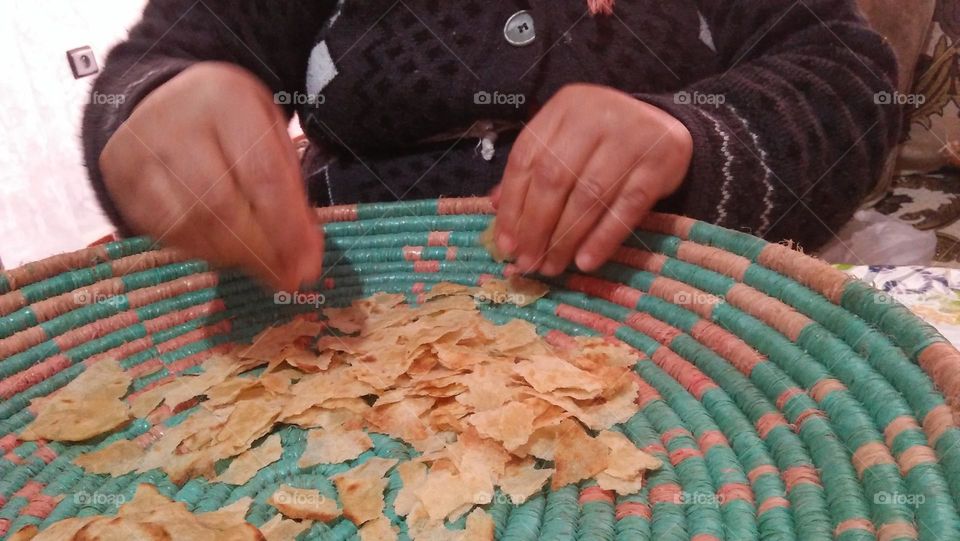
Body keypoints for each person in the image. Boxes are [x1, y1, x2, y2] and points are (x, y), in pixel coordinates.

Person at [82, 0, 902, 291]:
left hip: (658, 326)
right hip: (340, 323)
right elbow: (157, 61)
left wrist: (690, 131)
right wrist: (157, 111)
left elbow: (854, 78)